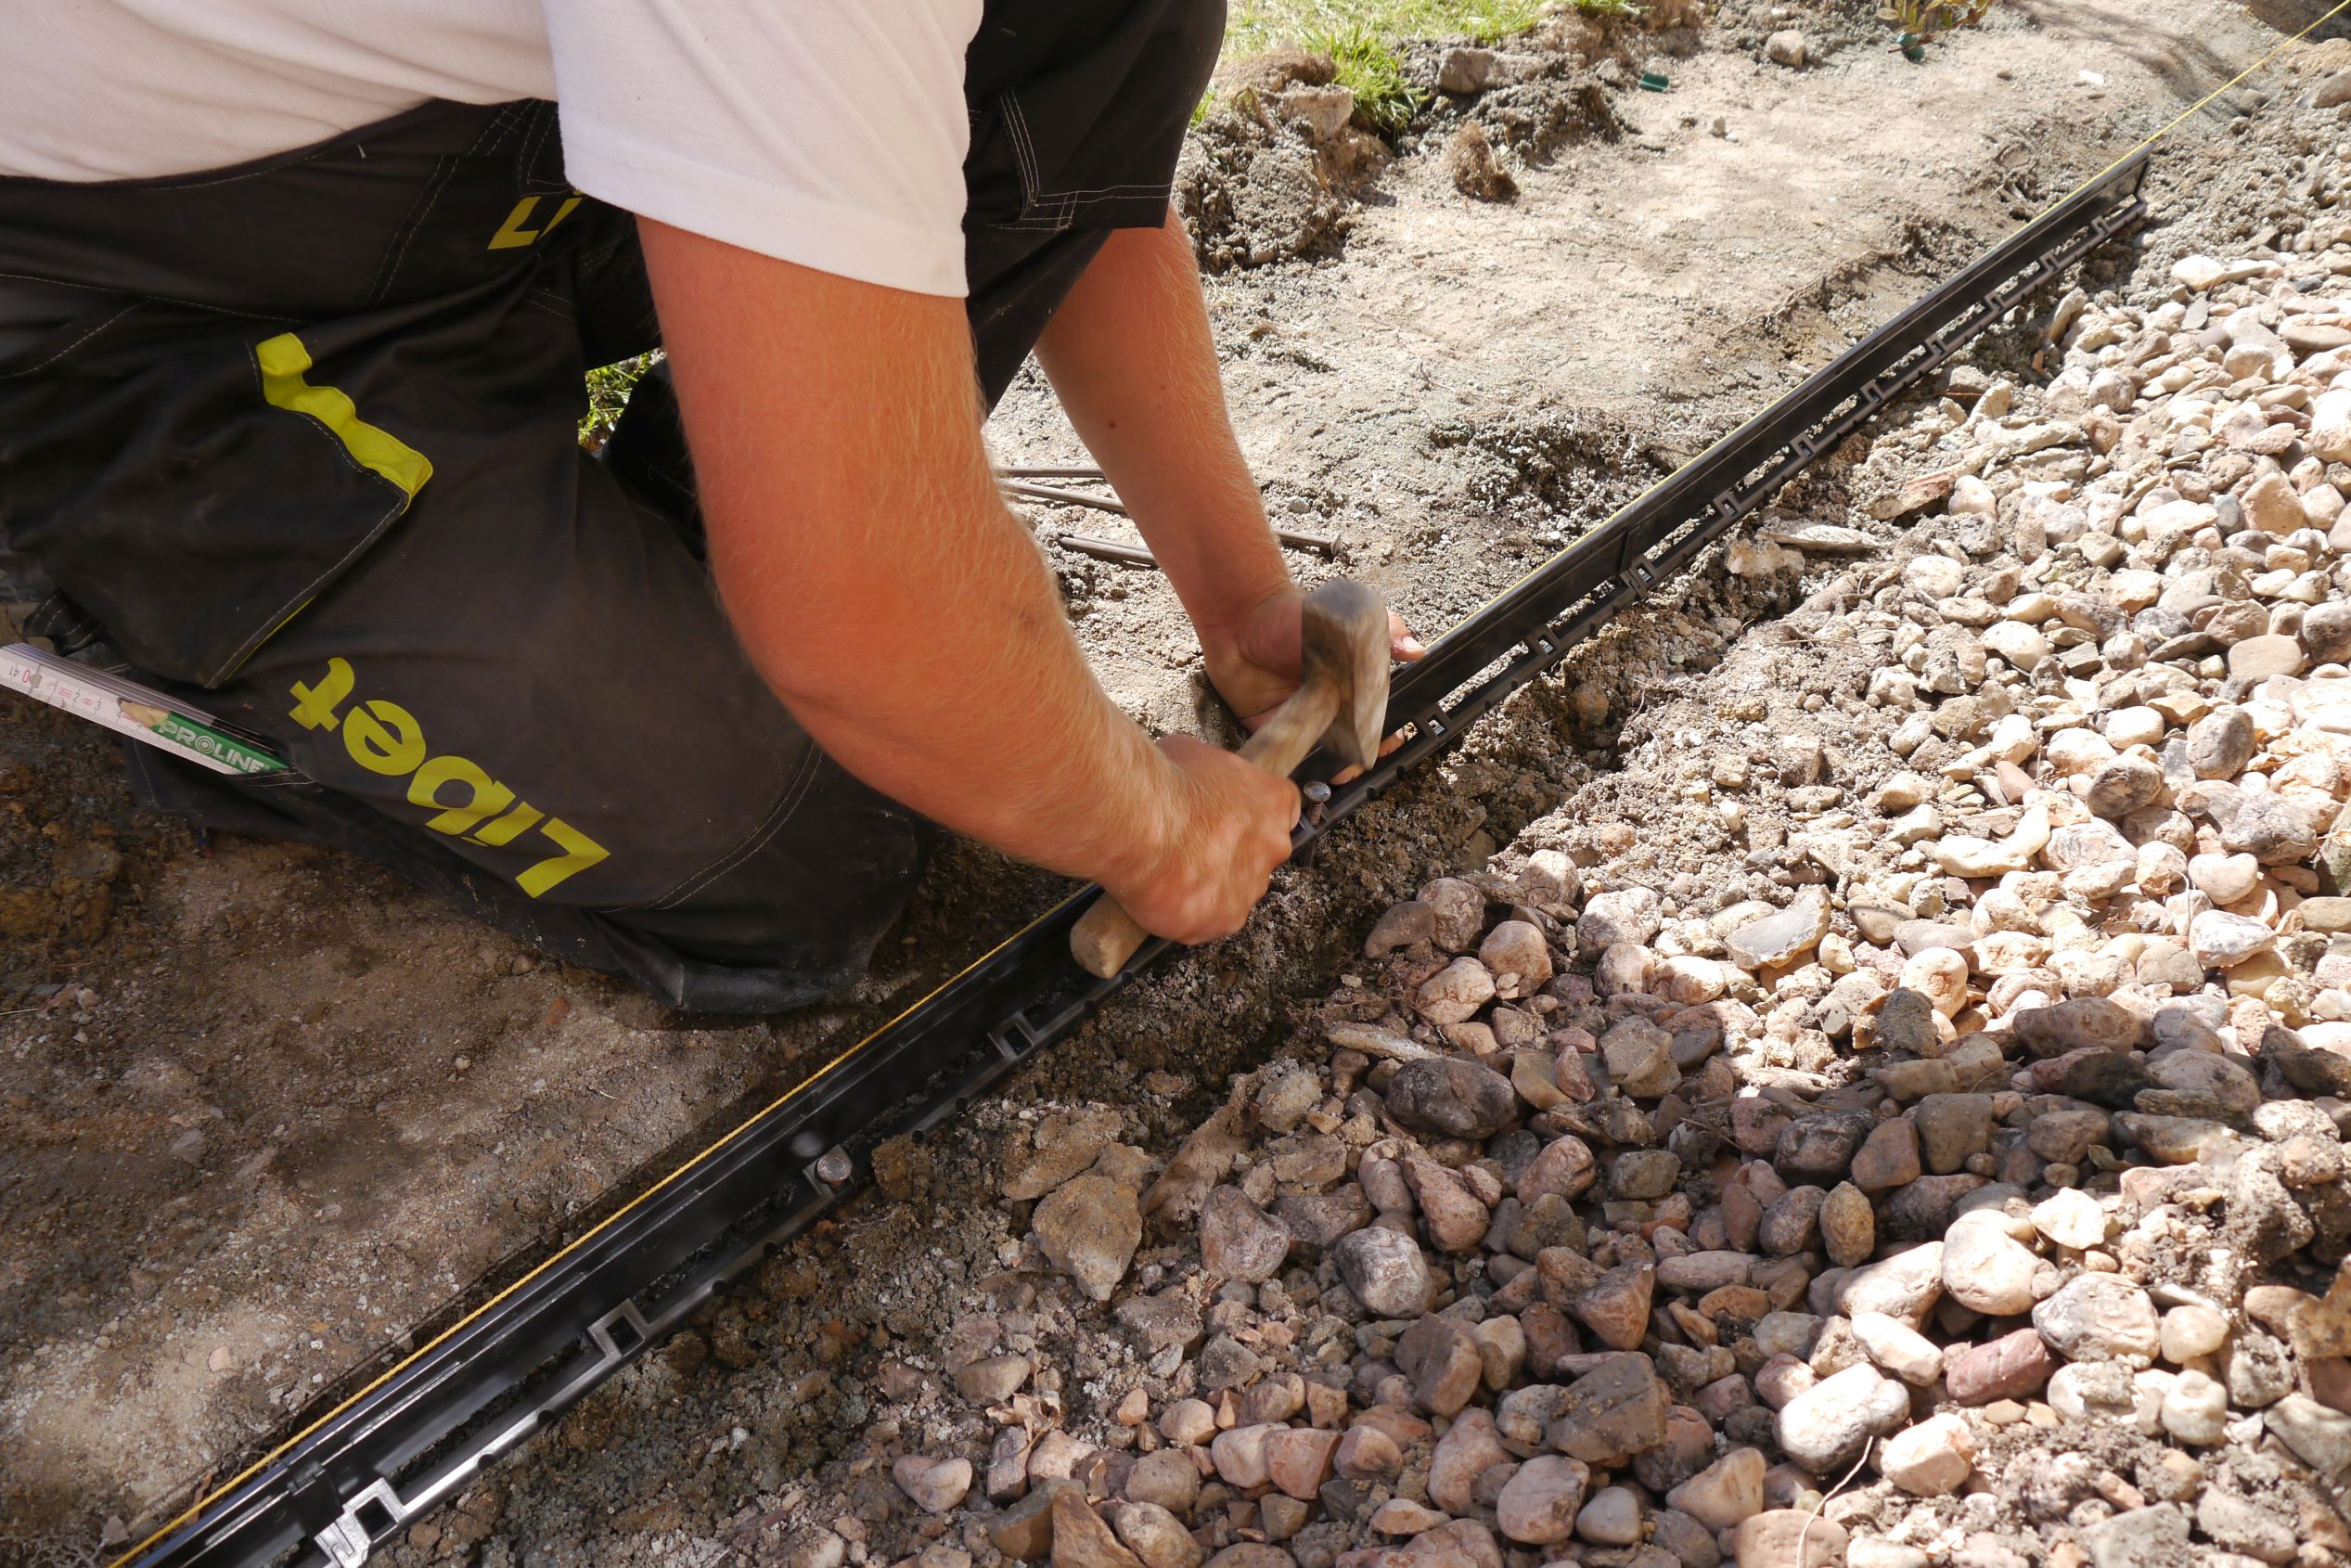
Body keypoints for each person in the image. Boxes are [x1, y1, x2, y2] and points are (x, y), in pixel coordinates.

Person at [0, 0, 1419, 1011]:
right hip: (142, 307)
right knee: (799, 850)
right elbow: (858, 606)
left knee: (1104, 16)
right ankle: (194, 649)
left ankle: (673, 553)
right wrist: (1156, 838)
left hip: (458, 158)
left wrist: (1239, 601)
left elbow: (1061, 162)